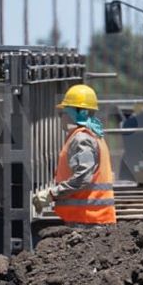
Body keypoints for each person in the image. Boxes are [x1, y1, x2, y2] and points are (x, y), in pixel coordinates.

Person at [32, 84, 116, 225]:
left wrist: (52, 194)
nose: (61, 117)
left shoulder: (82, 139)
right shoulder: (94, 136)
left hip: (87, 220)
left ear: (79, 113)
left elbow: (82, 178)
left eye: (64, 112)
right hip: (92, 218)